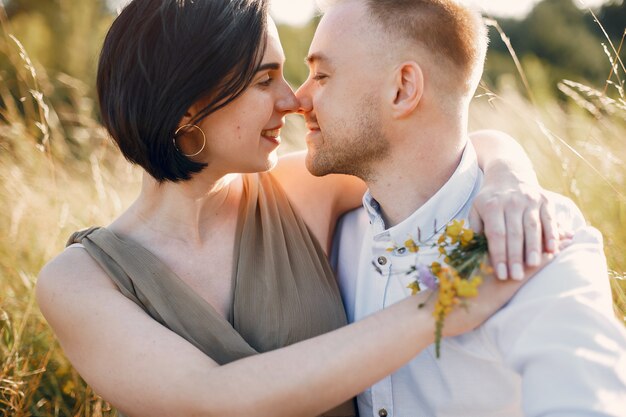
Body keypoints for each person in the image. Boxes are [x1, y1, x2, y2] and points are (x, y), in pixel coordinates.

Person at [37, 0, 558, 416]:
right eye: (266, 80)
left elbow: (443, 147)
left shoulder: (301, 190)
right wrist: (445, 305)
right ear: (189, 106)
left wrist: (509, 178)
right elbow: (214, 399)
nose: (293, 100)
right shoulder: (80, 282)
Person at [295, 0, 626, 416]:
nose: (298, 98)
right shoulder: (325, 230)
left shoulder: (535, 238)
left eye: (321, 75)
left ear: (403, 89)